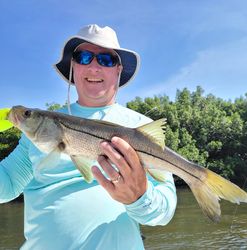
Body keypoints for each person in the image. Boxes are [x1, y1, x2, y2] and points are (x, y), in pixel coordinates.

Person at [0, 24, 177, 250]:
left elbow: (164, 212)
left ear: (118, 70)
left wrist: (139, 197)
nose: (94, 67)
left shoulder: (141, 127)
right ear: (73, 66)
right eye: (83, 57)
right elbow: (6, 187)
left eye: (105, 59)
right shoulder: (36, 131)